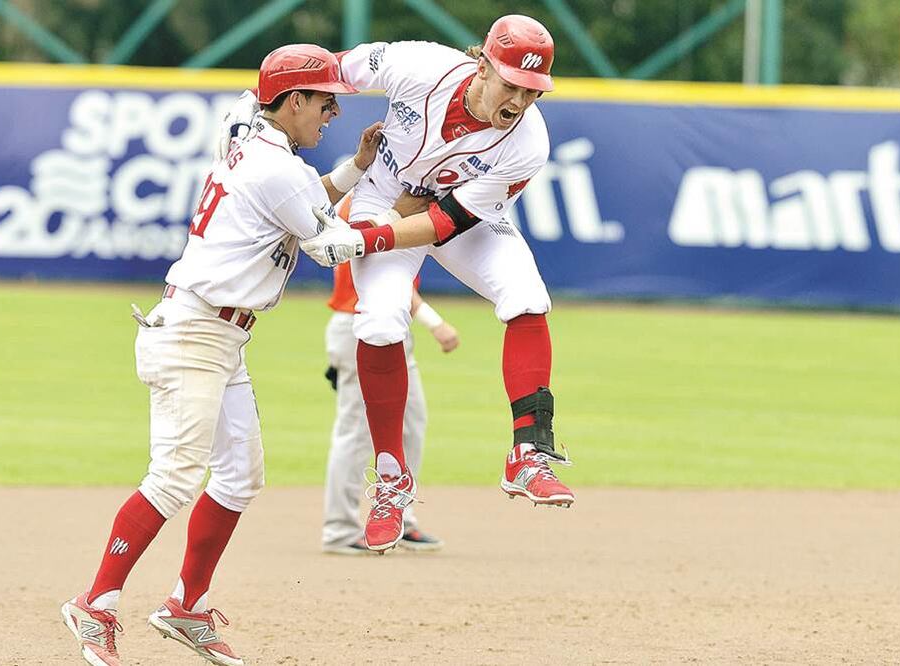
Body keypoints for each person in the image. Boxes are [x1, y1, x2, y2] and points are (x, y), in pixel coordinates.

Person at [60, 44, 379, 666]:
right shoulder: (277, 168)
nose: (333, 111)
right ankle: (94, 604)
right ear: (290, 101)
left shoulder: (249, 132)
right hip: (195, 331)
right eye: (323, 99)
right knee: (175, 476)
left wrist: (356, 168)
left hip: (220, 335)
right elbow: (328, 244)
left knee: (240, 476)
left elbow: (298, 199)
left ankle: (186, 606)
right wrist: (416, 222)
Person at [300, 15, 576, 553]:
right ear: (482, 65)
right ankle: (391, 480)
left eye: (532, 91)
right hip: (381, 198)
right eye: (511, 84)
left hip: (451, 221)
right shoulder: (417, 64)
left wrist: (362, 241)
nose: (519, 101)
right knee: (378, 322)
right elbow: (332, 70)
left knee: (526, 296)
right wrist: (258, 108)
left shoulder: (528, 143)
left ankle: (529, 452)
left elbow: (443, 224)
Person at [321, 196, 458, 555]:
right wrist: (435, 323)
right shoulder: (362, 204)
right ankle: (340, 529)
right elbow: (384, 278)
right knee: (356, 431)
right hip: (360, 325)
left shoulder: (405, 196)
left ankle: (401, 514)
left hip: (392, 329)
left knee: (412, 422)